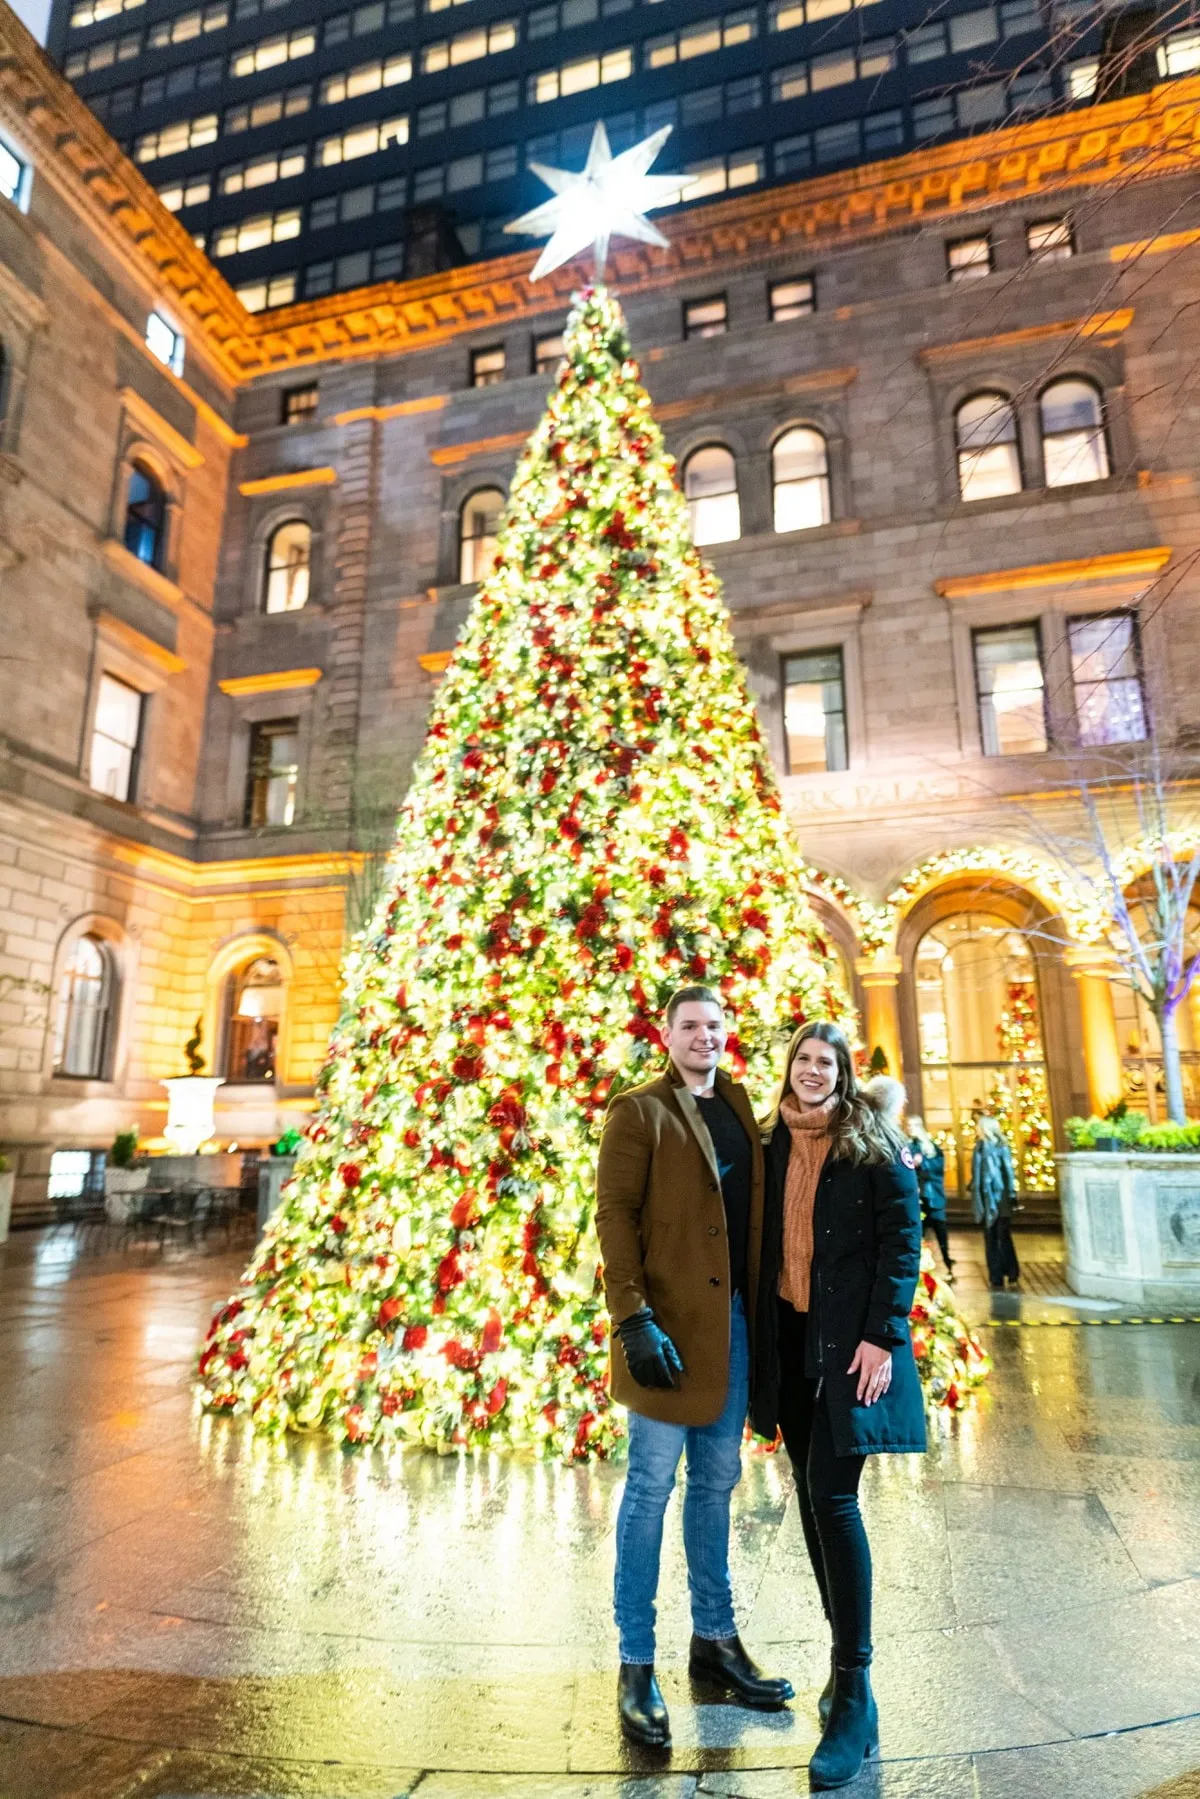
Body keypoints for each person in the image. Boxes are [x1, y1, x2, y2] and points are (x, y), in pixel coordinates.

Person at [595, 985, 794, 1749]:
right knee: (649, 1488)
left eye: (714, 1025)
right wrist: (632, 1314)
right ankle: (635, 1661)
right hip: (666, 1332)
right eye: (690, 1026)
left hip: (735, 1328)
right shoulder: (639, 1109)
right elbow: (614, 1215)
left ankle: (714, 1639)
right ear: (667, 1034)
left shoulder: (741, 1106)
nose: (704, 1036)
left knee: (717, 1483)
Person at [753, 1022, 925, 1791]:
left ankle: (855, 1688)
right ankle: (840, 1662)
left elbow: (903, 1238)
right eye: (803, 1059)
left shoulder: (870, 1142)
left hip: (849, 1349)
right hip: (789, 1347)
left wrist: (883, 1338)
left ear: (844, 1072)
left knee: (833, 1498)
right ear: (788, 1069)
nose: (813, 1070)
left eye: (826, 1061)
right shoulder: (771, 1143)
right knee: (814, 1503)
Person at [971, 1115, 1020, 1288]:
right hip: (984, 1198)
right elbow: (976, 1174)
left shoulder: (1001, 1147)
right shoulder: (978, 1148)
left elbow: (1008, 1172)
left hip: (1000, 1197)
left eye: (979, 1126)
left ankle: (1012, 1273)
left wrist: (1012, 1194)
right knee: (990, 1237)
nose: (976, 1128)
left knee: (1003, 1236)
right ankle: (996, 1276)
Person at [907, 1114, 953, 1279]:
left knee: (941, 1233)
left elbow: (937, 1169)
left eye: (913, 1125)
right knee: (918, 1235)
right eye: (909, 1125)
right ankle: (920, 1270)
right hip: (918, 1199)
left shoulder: (931, 1148)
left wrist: (922, 1162)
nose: (910, 1128)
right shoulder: (908, 1146)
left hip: (933, 1198)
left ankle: (948, 1265)